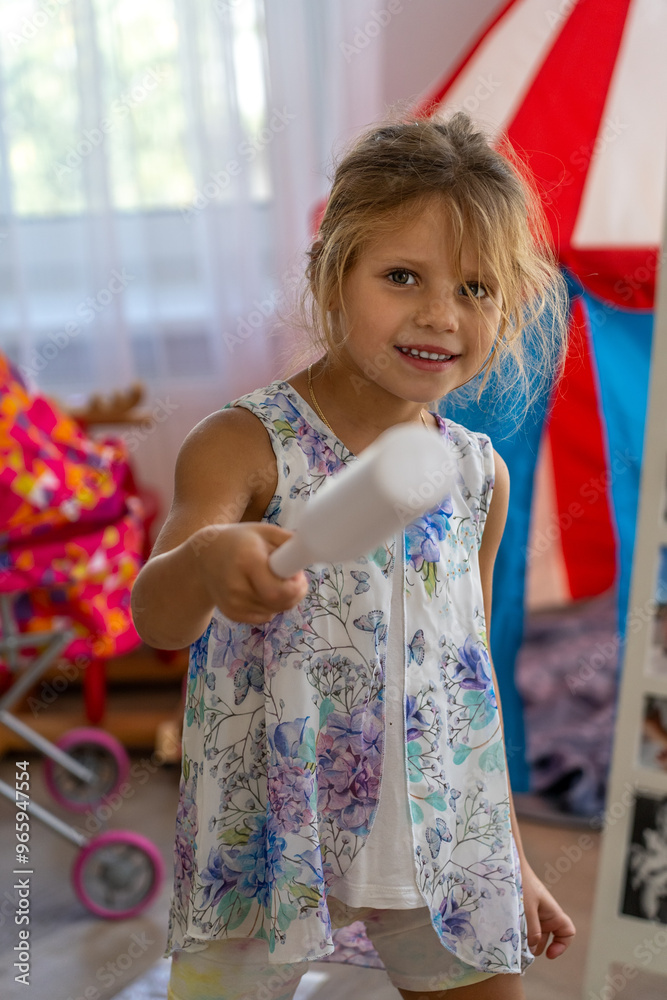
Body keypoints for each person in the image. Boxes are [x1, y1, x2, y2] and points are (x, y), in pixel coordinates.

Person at [132, 112, 576, 999]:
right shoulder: (246, 444)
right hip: (264, 827)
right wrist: (212, 559)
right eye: (401, 276)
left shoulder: (476, 474)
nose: (440, 316)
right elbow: (157, 616)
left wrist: (507, 855)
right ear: (331, 274)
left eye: (478, 289)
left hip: (438, 828)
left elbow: (469, 687)